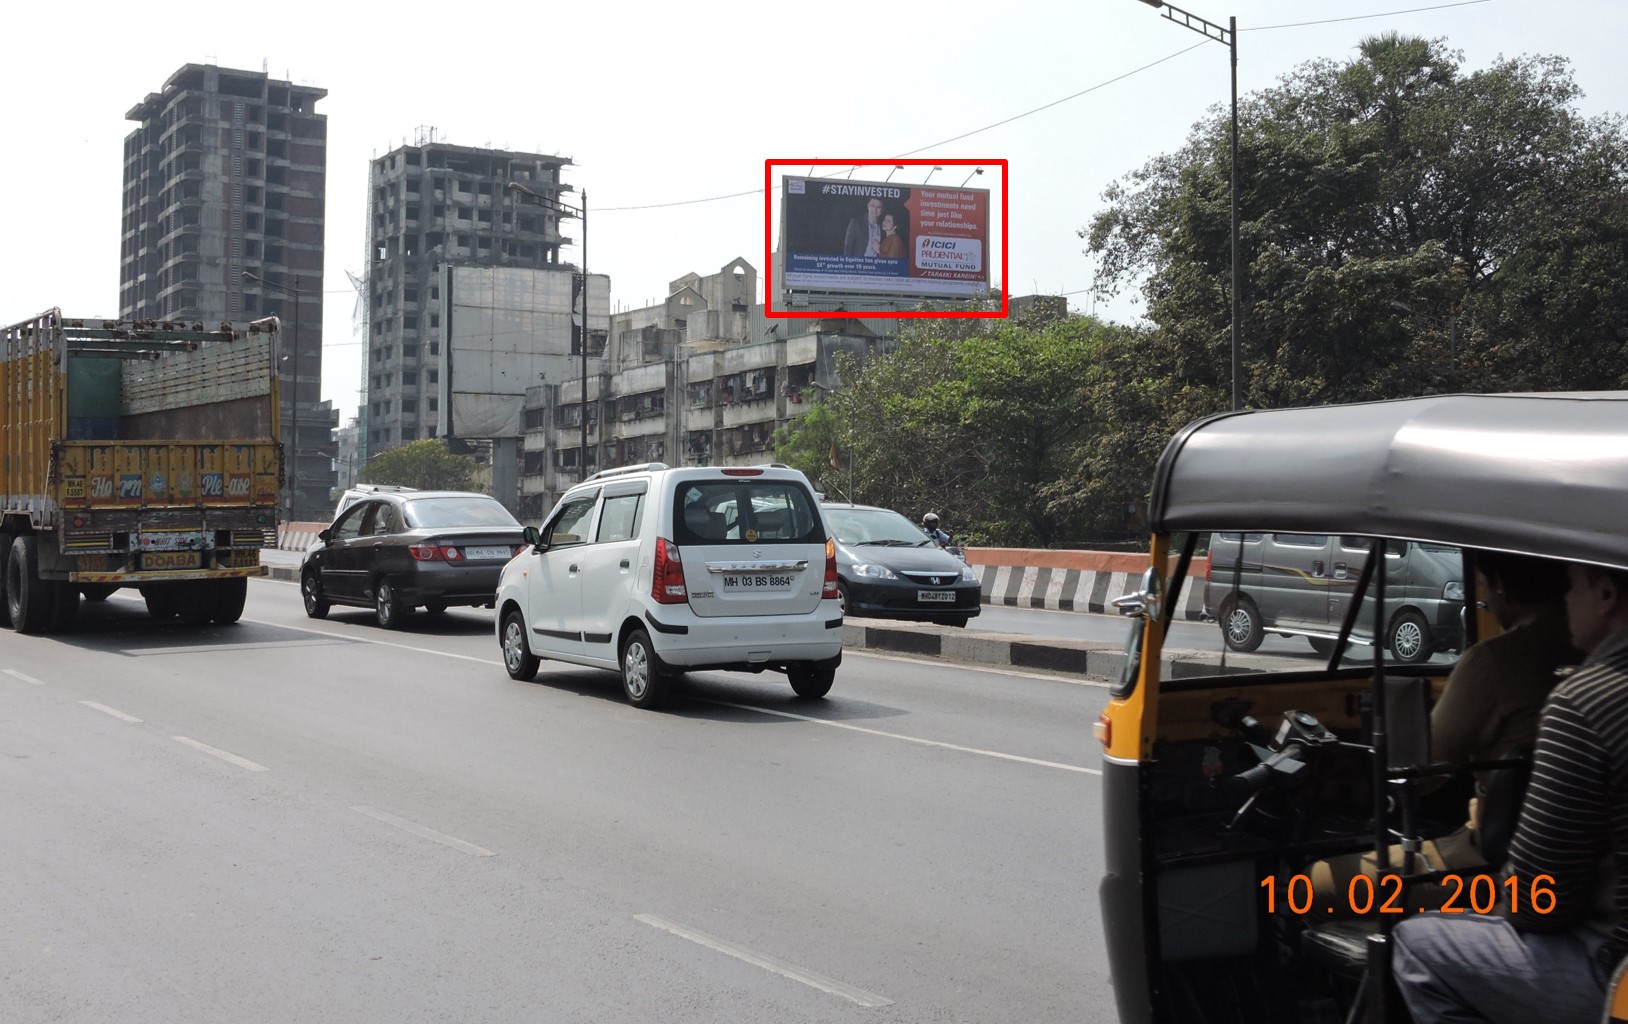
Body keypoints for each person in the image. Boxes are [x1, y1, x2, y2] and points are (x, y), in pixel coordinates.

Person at [1392, 561, 1628, 1023]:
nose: (1565, 600)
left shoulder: (1584, 701)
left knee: (1418, 945)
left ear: (1604, 594)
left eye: (1572, 586)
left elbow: (1540, 900)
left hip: (1613, 967)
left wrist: (1491, 907)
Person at [1308, 552, 1579, 907]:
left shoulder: (1497, 660)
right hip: (1573, 858)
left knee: (1310, 886)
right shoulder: (1595, 649)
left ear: (1501, 587)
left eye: (1484, 591)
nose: (1487, 602)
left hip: (1496, 858)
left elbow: (1423, 773)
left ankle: (1381, 960)